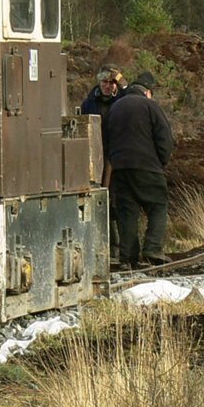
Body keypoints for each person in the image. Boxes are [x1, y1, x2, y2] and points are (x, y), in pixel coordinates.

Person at [106, 71, 175, 269]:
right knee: (158, 205)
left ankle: (128, 257)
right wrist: (162, 161)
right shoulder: (150, 106)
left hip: (120, 168)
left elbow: (107, 138)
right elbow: (164, 139)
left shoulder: (115, 107)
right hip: (147, 166)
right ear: (148, 92)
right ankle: (152, 248)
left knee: (128, 213)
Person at [81, 64, 126, 263]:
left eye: (111, 82)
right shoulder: (90, 103)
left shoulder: (124, 100)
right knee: (102, 202)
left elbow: (130, 93)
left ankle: (122, 247)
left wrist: (121, 79)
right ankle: (105, 246)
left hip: (119, 155)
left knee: (120, 203)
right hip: (97, 157)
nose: (108, 86)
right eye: (105, 82)